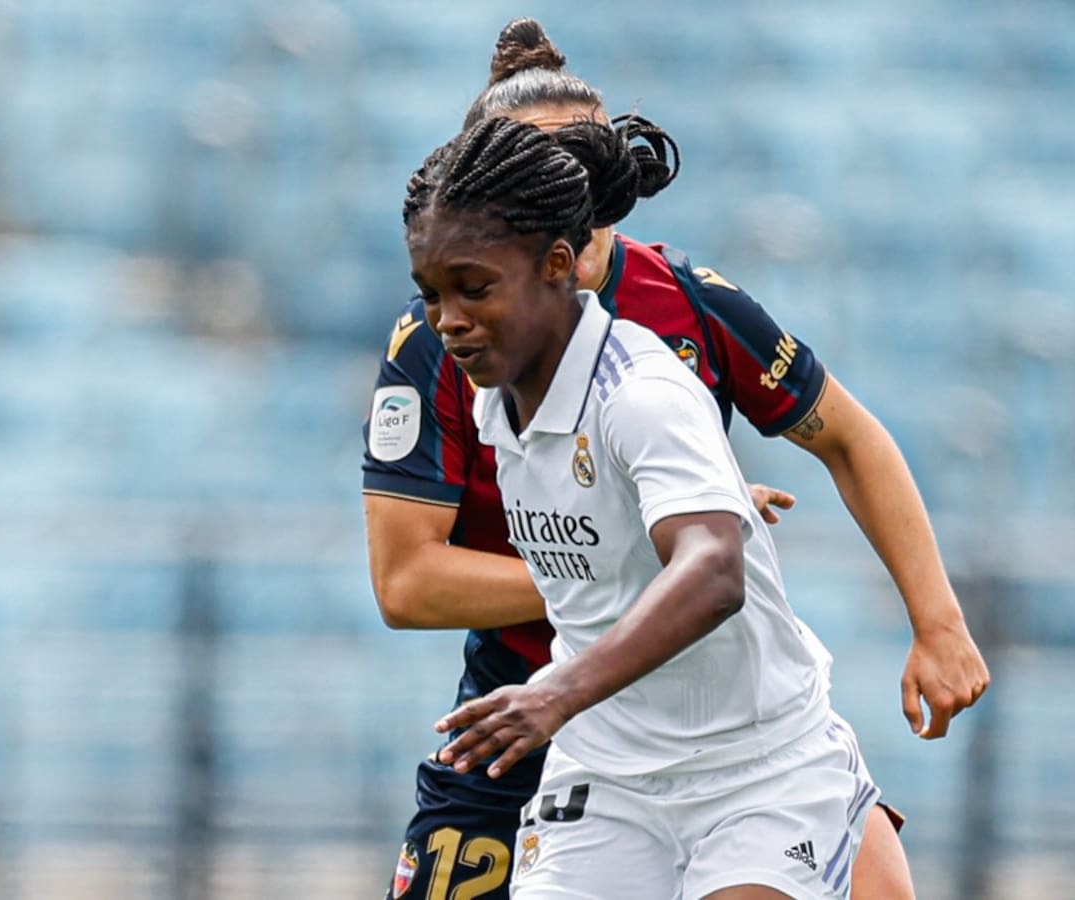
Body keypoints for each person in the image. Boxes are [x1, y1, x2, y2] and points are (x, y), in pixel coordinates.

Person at [363, 18, 988, 900]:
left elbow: (841, 444)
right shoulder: (454, 341)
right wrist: (619, 559)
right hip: (528, 709)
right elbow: (407, 583)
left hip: (724, 723)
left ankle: (834, 809)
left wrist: (939, 622)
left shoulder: (672, 321)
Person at [410, 112, 885, 899]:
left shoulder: (643, 391)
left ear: (559, 264)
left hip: (758, 770)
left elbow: (714, 572)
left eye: (474, 288)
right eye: (431, 293)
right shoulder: (495, 394)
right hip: (608, 775)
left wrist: (555, 694)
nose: (447, 320)